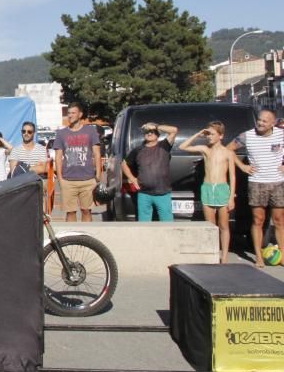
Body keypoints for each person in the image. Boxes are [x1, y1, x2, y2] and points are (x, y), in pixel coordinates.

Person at [227, 108, 284, 267]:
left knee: (279, 220)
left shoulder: (281, 134)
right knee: (258, 220)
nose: (260, 123)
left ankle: (283, 254)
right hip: (257, 183)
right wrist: (241, 166)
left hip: (278, 182)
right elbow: (228, 149)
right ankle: (258, 256)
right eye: (259, 119)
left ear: (273, 123)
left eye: (265, 121)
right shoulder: (247, 136)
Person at [180, 122, 236, 263]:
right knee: (210, 225)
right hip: (207, 188)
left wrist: (231, 198)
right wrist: (199, 133)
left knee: (224, 225)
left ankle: (224, 256)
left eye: (212, 134)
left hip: (222, 189)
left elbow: (232, 177)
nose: (209, 137)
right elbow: (183, 146)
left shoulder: (228, 153)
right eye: (208, 134)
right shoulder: (206, 149)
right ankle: (212, 253)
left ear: (221, 136)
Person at [121, 122, 179, 222]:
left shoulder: (164, 145)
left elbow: (174, 130)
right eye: (147, 132)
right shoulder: (138, 150)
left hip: (163, 194)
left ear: (158, 134)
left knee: (168, 224)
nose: (149, 133)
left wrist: (156, 126)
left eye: (152, 132)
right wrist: (133, 179)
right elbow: (124, 164)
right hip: (144, 194)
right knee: (144, 225)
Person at [54, 102, 102, 222]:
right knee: (70, 213)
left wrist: (98, 175)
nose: (70, 116)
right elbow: (58, 157)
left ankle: (86, 238)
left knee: (86, 211)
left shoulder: (90, 131)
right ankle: (73, 239)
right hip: (68, 180)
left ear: (80, 114)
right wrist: (60, 178)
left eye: (73, 113)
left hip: (87, 179)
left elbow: (97, 153)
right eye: (68, 113)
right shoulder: (61, 133)